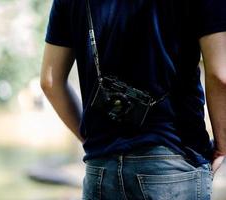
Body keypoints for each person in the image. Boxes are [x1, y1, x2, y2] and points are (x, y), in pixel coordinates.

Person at [40, 0, 226, 199]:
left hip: (101, 167)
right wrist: (222, 145)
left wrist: (93, 140)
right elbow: (220, 76)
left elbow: (50, 81)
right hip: (173, 161)